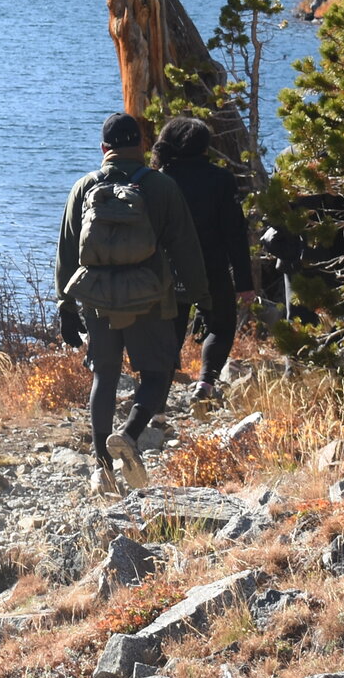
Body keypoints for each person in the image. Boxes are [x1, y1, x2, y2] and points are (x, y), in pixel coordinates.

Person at [57, 112, 218, 493]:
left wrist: (65, 306)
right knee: (157, 374)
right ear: (143, 146)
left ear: (103, 149)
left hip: (97, 300)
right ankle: (129, 435)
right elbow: (186, 249)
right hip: (149, 297)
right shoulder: (160, 187)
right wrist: (202, 300)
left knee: (105, 375)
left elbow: (66, 253)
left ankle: (102, 467)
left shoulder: (83, 187)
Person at [152, 116, 252, 405]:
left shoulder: (159, 179)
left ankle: (157, 398)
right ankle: (205, 384)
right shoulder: (220, 179)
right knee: (221, 326)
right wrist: (244, 283)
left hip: (168, 271)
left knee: (170, 332)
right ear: (204, 146)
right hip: (212, 269)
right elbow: (235, 234)